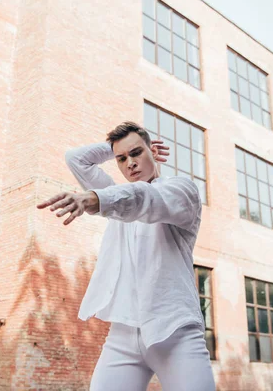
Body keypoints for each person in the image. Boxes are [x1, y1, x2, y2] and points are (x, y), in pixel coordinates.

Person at [37, 122, 215, 391]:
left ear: (153, 153)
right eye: (122, 159)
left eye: (137, 153)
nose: (130, 163)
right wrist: (114, 150)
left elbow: (144, 199)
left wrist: (93, 198)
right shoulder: (117, 197)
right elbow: (76, 158)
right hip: (123, 334)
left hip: (175, 333)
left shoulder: (180, 192)